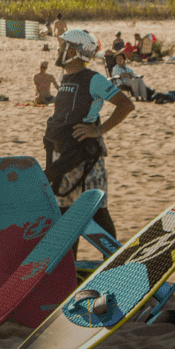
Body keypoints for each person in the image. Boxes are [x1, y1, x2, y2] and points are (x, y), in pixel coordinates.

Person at [44, 29, 135, 236]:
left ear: (72, 51)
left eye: (62, 46)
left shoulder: (94, 79)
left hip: (87, 161)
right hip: (65, 157)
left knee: (97, 213)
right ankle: (70, 265)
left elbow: (126, 105)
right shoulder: (66, 78)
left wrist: (98, 130)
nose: (58, 49)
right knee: (66, 217)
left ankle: (113, 260)